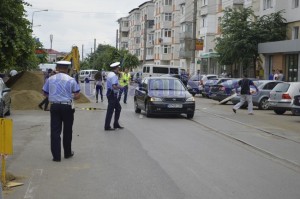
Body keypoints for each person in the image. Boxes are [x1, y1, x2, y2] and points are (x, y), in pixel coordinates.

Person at [42, 61, 81, 162]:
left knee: (55, 131)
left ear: (57, 67)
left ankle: (56, 156)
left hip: (54, 107)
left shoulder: (50, 79)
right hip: (67, 107)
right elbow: (77, 95)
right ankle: (67, 153)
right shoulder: (71, 80)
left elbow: (45, 93)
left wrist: (54, 96)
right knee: (67, 130)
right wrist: (70, 96)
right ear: (67, 68)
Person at [104, 62, 124, 131]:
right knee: (110, 110)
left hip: (110, 94)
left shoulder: (110, 74)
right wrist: (120, 87)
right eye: (118, 68)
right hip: (112, 94)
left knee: (118, 108)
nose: (119, 69)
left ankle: (115, 124)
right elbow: (114, 86)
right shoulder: (114, 76)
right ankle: (107, 126)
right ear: (116, 68)